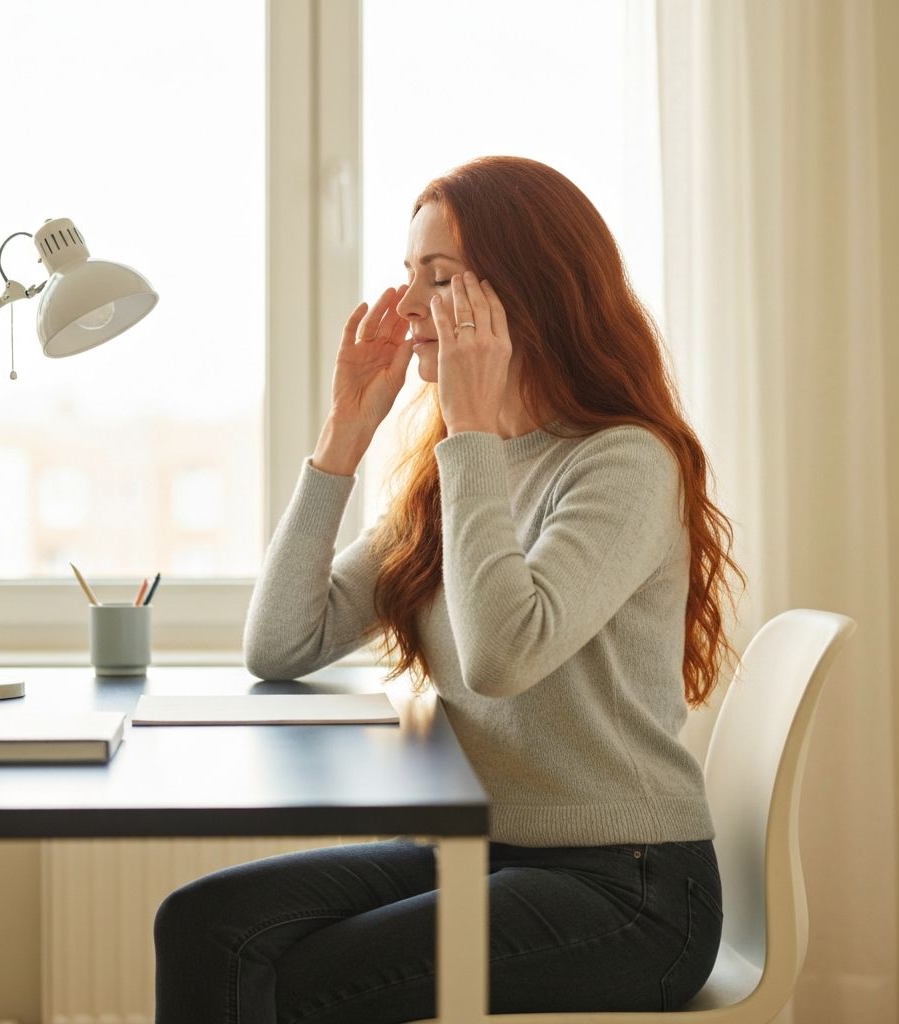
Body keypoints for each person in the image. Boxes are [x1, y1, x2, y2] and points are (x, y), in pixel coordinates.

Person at [153, 155, 743, 1023]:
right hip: (482, 847)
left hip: (631, 886)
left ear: (528, 294)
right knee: (206, 925)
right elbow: (280, 644)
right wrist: (345, 434)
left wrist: (470, 429)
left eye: (440, 278)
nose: (407, 309)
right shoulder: (453, 477)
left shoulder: (622, 462)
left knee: (305, 985)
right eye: (408, 276)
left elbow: (502, 658)